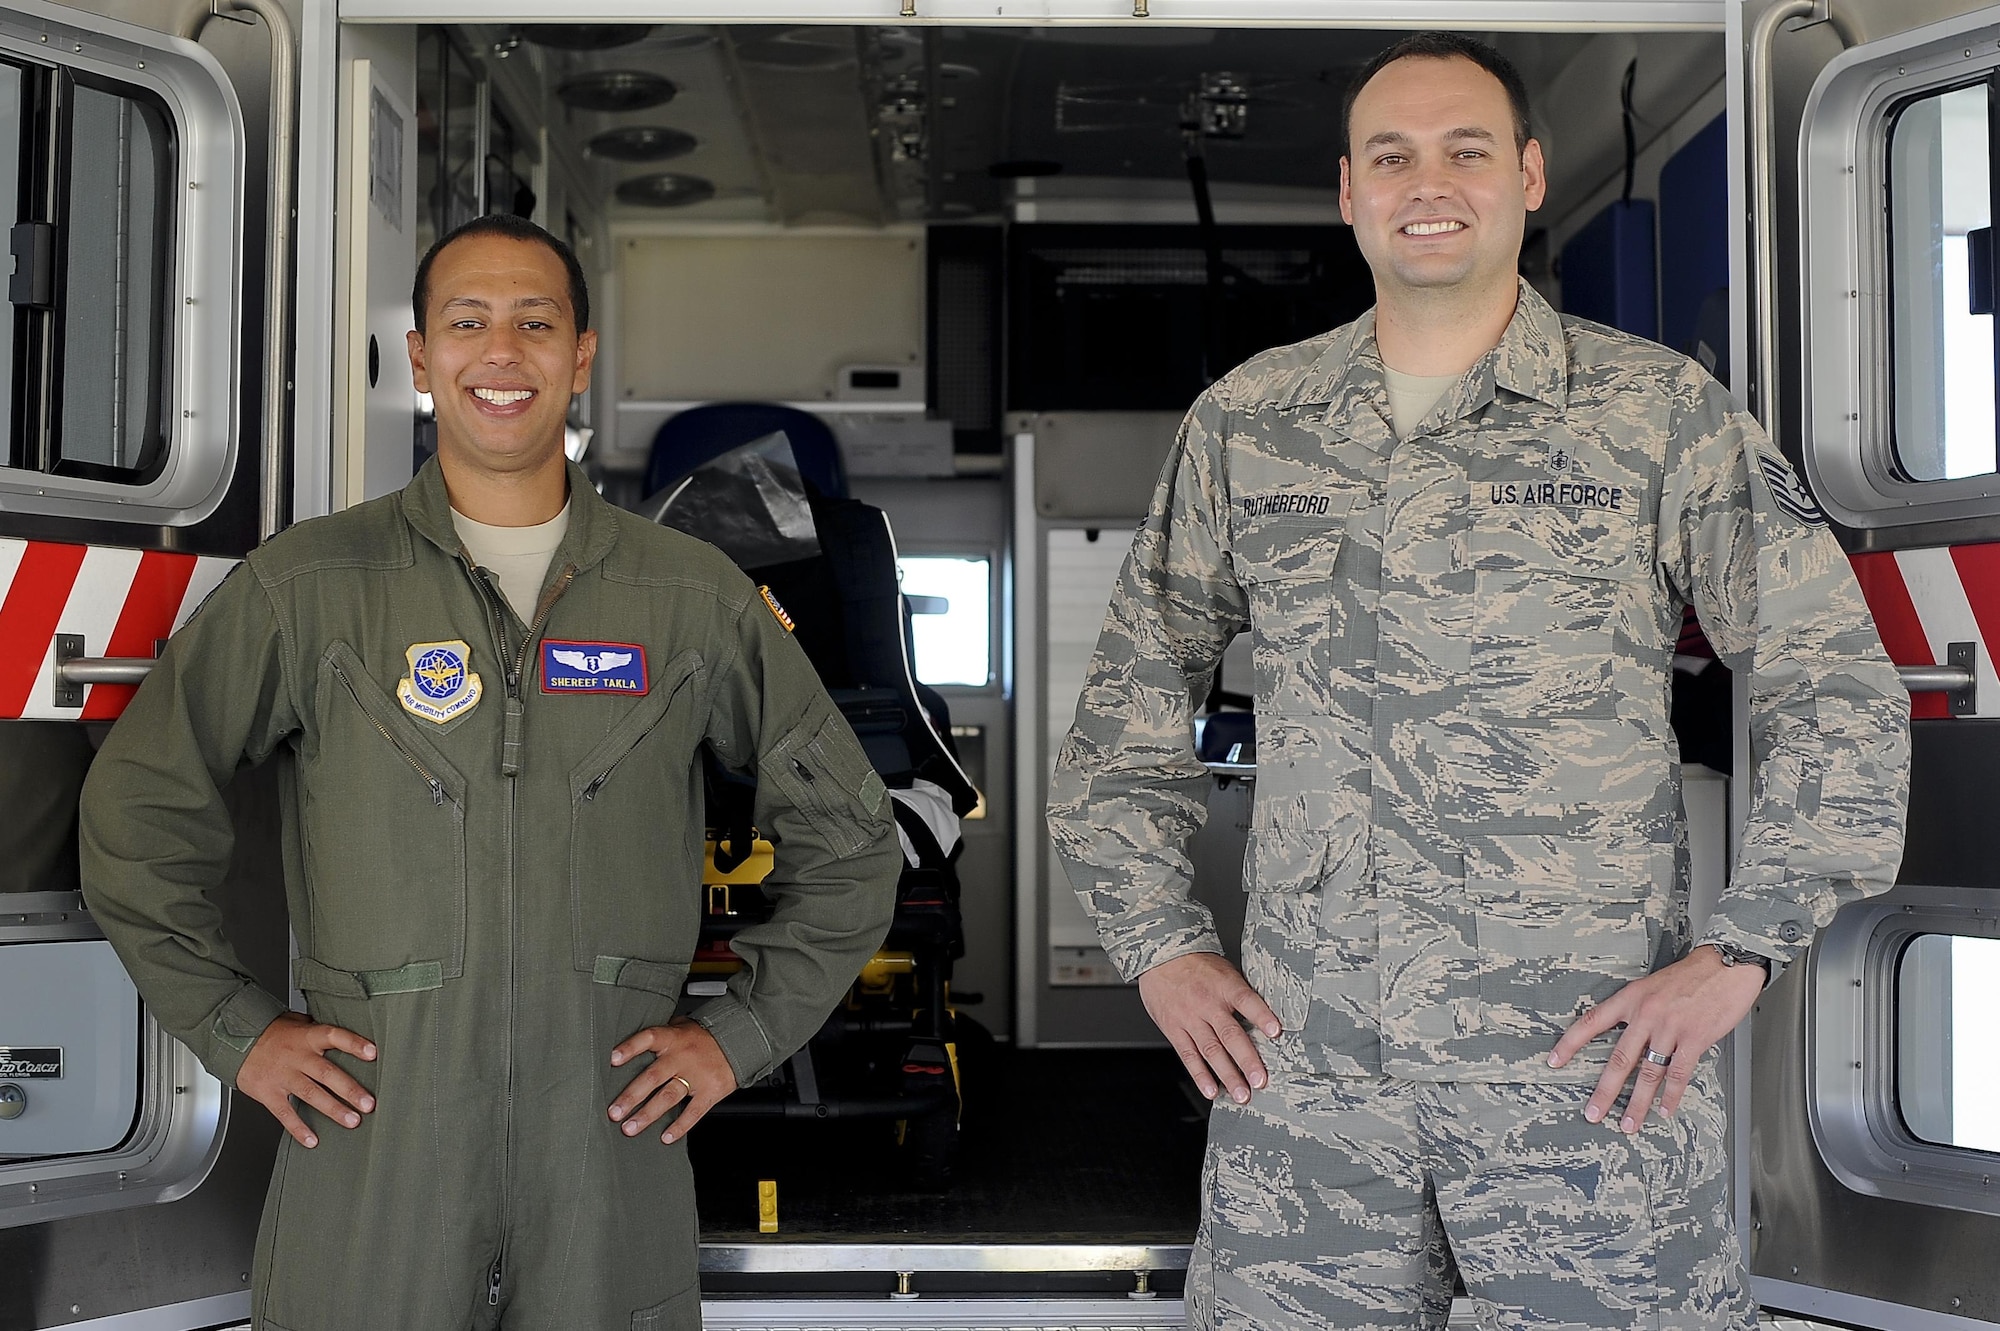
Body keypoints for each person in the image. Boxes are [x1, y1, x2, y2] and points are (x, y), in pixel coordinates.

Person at [1048, 33, 1909, 1331]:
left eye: (1464, 149)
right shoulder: (1249, 422)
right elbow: (1125, 711)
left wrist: (1742, 948)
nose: (1427, 182)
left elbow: (1831, 682)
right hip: (1313, 1088)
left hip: (1589, 1078)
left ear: (1529, 173)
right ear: (1349, 190)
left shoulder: (1654, 413)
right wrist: (1159, 945)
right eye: (1392, 155)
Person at [79, 213, 901, 1330]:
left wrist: (738, 1037)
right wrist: (237, 1028)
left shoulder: (690, 595)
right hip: (374, 1158)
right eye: (466, 322)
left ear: (581, 355)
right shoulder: (309, 586)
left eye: (534, 321)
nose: (500, 351)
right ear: (420, 358)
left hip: (607, 1161)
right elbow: (138, 813)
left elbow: (850, 836)